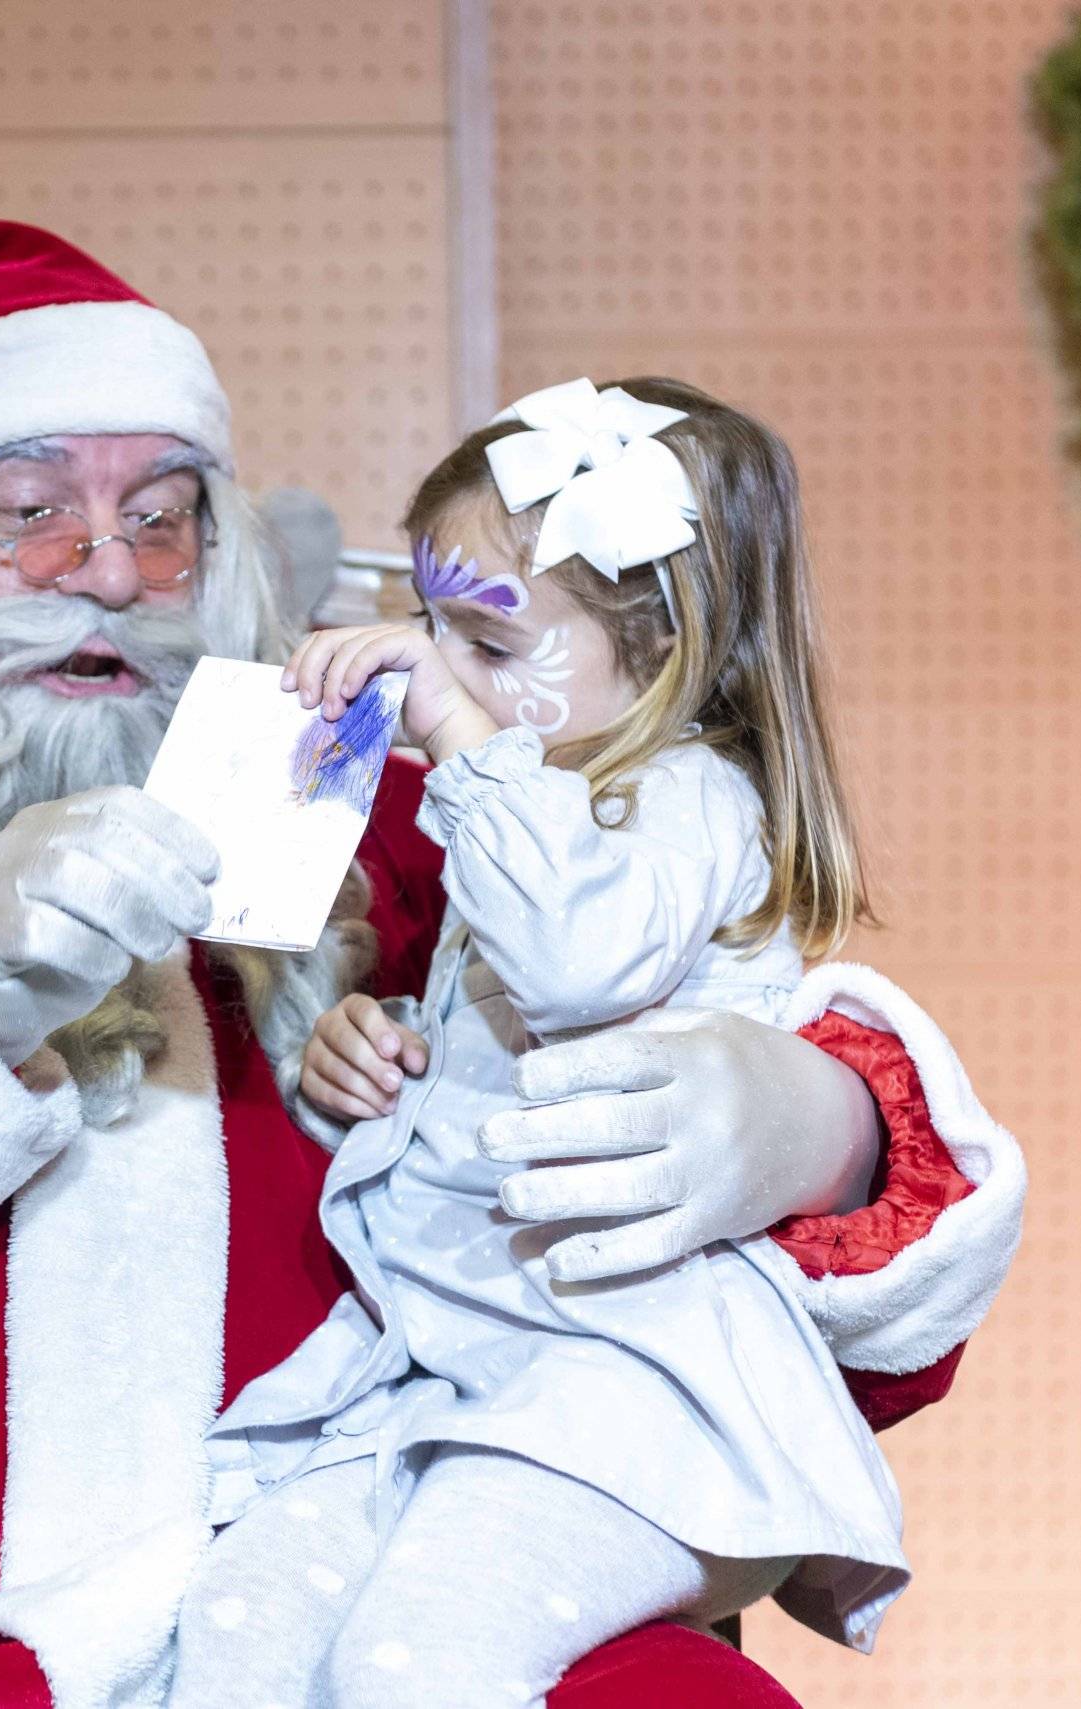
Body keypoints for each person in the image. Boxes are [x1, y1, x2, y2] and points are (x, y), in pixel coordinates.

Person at [0, 211, 1026, 1709]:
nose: (114, 575)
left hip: (313, 1598)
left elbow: (777, 1346)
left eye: (164, 516)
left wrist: (815, 1132)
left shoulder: (390, 830)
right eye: (31, 511)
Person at [174, 378, 924, 1709]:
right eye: (433, 625)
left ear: (670, 654)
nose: (440, 671)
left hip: (614, 1381)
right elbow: (507, 1039)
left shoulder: (691, 797)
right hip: (447, 1356)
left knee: (419, 1662)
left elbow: (578, 964)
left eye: (494, 644)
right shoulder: (538, 804)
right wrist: (381, 1037)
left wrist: (458, 733)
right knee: (238, 1625)